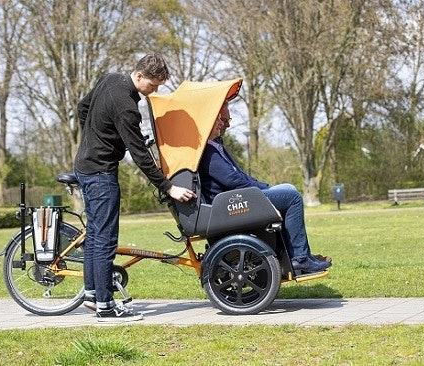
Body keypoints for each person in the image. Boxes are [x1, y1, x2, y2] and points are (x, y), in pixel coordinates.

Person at [74, 53, 196, 322]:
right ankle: (106, 307)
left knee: (95, 235)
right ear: (139, 75)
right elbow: (140, 154)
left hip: (85, 166)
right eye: (152, 86)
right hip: (100, 174)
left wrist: (94, 138)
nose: (154, 91)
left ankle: (92, 295)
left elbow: (83, 109)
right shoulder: (126, 107)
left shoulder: (110, 79)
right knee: (105, 239)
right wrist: (168, 187)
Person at [198, 101, 331, 273]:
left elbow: (239, 177)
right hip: (230, 203)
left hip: (234, 198)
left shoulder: (215, 147)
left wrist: (265, 188)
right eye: (219, 119)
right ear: (208, 121)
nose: (223, 124)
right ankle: (300, 258)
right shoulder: (208, 151)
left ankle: (300, 255)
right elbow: (233, 180)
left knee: (288, 188)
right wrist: (262, 193)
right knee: (293, 197)